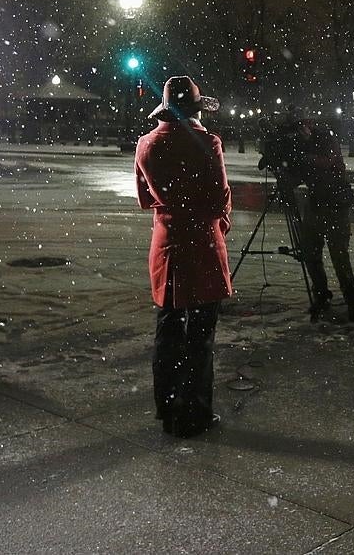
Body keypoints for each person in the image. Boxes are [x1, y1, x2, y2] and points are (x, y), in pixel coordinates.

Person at [134, 76, 231, 439]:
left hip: (166, 244)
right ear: (194, 110)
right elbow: (219, 196)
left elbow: (146, 200)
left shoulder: (146, 144)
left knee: (168, 329)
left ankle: (168, 407)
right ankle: (196, 412)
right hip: (202, 242)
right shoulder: (207, 142)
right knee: (201, 334)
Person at [302, 122, 354, 315]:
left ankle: (351, 297)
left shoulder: (325, 138)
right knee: (310, 252)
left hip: (335, 204)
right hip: (316, 202)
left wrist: (305, 158)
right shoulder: (303, 144)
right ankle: (321, 294)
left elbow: (327, 161)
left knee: (339, 255)